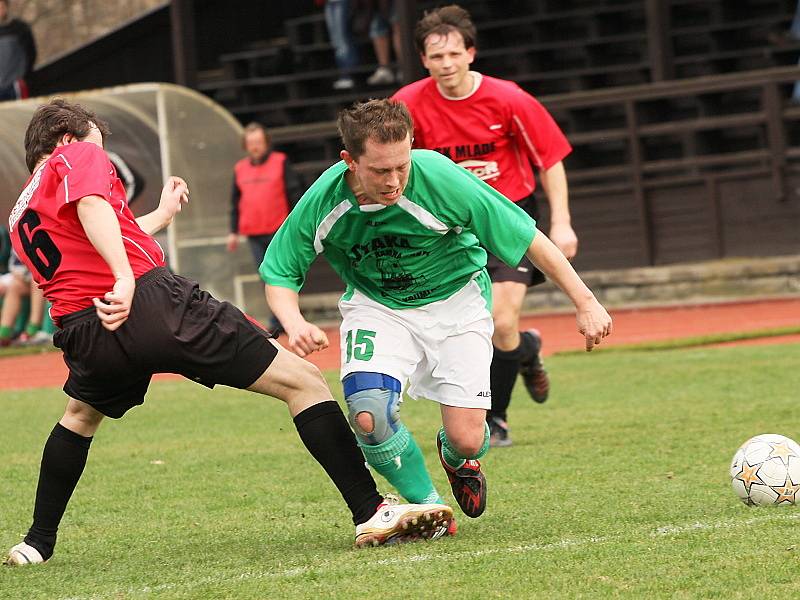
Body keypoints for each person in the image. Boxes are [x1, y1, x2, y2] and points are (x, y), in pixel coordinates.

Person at [3, 99, 453, 566]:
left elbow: (101, 234)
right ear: (66, 138)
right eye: (98, 144)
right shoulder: (75, 154)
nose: (102, 155)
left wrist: (161, 215)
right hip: (150, 304)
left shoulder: (22, 210)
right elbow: (96, 208)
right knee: (303, 381)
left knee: (79, 417)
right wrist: (124, 276)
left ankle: (35, 542)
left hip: (87, 330)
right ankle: (371, 510)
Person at [261, 99, 611, 524]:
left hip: (457, 303)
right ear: (349, 161)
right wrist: (294, 322)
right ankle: (428, 507)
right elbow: (280, 270)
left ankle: (457, 458)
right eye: (379, 171)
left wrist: (586, 300)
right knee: (369, 414)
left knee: (468, 440)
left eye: (401, 166)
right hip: (379, 307)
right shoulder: (324, 198)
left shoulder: (440, 177)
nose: (394, 181)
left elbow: (527, 237)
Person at [392, 4, 578, 447]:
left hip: (506, 217)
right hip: (448, 229)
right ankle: (527, 351)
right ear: (424, 60)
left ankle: (496, 419)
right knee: (464, 329)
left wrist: (563, 222)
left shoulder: (509, 98)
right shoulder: (407, 104)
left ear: (470, 53)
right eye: (436, 57)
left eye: (454, 54)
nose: (446, 64)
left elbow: (550, 159)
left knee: (500, 318)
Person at [0, 0, 36, 101]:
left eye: (1, 6)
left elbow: (31, 54)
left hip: (16, 86)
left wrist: (23, 78)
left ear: (6, 7)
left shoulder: (20, 28)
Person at [320, 0, 359, 90]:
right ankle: (345, 74)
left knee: (342, 38)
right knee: (336, 41)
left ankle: (347, 75)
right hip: (329, 2)